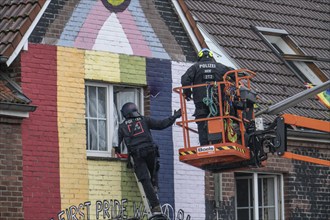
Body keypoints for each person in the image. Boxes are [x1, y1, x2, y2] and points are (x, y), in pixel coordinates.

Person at [115, 102, 181, 215]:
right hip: (151, 152)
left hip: (137, 155)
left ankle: (155, 206)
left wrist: (118, 152)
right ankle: (155, 185)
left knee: (145, 180)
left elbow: (116, 144)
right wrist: (174, 117)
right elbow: (161, 124)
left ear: (124, 114)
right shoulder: (144, 120)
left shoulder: (122, 127)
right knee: (154, 169)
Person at [181, 48, 234, 146]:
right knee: (216, 121)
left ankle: (204, 146)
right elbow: (234, 74)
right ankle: (217, 143)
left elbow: (185, 80)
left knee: (202, 123)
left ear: (200, 57)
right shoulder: (219, 67)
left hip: (200, 103)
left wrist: (187, 93)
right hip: (216, 103)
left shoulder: (195, 67)